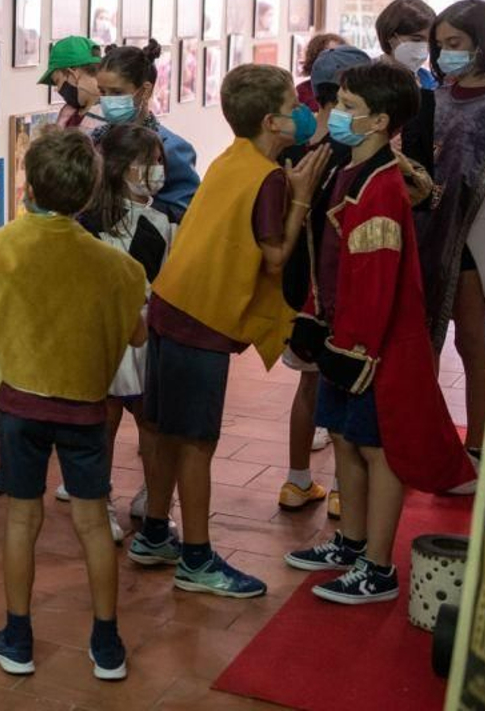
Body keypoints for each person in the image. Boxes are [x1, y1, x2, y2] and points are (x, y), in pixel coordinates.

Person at [131, 64, 329, 598]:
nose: (304, 114)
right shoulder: (267, 177)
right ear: (272, 121)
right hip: (204, 320)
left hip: (172, 306)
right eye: (294, 107)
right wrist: (303, 197)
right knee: (196, 442)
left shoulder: (234, 155)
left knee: (168, 430)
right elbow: (274, 258)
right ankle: (195, 557)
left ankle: (154, 531)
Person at [284, 61, 475, 603]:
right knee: (345, 438)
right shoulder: (347, 171)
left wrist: (353, 348)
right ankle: (351, 541)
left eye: (349, 108)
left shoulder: (383, 188)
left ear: (379, 121)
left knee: (378, 448)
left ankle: (378, 566)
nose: (336, 114)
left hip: (373, 349)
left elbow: (374, 281)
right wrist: (316, 320)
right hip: (342, 337)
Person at [0, 129, 146, 680]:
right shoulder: (117, 266)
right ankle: (107, 643)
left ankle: (17, 636)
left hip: (21, 404)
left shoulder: (1, 247)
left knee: (22, 518)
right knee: (93, 523)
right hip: (86, 408)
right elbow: (137, 337)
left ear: (27, 184)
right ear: (91, 193)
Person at [421, 0, 485, 453]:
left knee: (468, 340)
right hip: (425, 227)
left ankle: (479, 442)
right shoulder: (437, 95)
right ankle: (424, 437)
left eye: (455, 44)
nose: (446, 54)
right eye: (440, 45)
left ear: (482, 43)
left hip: (468, 231)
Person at [277, 46, 373, 517]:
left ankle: (296, 480)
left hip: (299, 290)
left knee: (308, 387)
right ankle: (340, 488)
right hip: (337, 293)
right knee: (344, 390)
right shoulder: (355, 158)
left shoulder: (291, 152)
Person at [79, 123, 175, 541]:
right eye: (146, 163)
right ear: (119, 169)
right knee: (104, 421)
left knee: (152, 423)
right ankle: (99, 502)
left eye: (158, 162)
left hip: (149, 333)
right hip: (103, 335)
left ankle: (155, 504)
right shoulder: (89, 224)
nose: (156, 170)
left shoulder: (166, 220)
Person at [92, 40, 200, 222]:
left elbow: (186, 214)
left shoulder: (171, 149)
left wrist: (134, 203)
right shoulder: (95, 141)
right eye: (103, 92)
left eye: (117, 93)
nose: (108, 101)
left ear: (145, 91)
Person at [376, 0, 438, 171]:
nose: (423, 48)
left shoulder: (430, 82)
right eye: (416, 39)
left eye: (429, 42)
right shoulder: (364, 79)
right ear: (390, 36)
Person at [41, 36, 105, 135]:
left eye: (57, 81)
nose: (57, 90)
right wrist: (61, 124)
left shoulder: (107, 118)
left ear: (72, 73)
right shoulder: (72, 114)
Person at [296, 32, 346, 113]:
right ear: (315, 59)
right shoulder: (302, 91)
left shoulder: (349, 89)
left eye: (341, 55)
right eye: (331, 56)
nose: (338, 61)